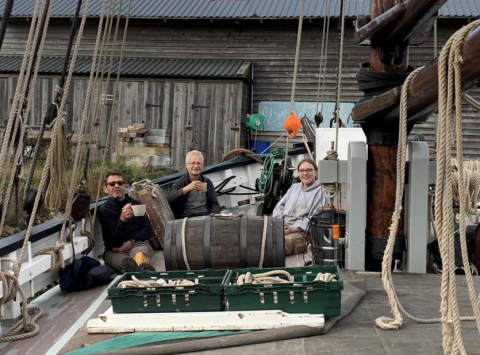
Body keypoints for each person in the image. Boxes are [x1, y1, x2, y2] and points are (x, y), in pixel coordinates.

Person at [97, 170, 156, 274]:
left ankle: (142, 272)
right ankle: (138, 276)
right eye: (112, 184)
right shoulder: (104, 210)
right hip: (114, 251)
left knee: (140, 258)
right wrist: (122, 220)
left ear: (124, 186)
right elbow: (114, 241)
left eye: (120, 183)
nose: (116, 186)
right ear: (105, 189)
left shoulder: (135, 204)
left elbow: (148, 230)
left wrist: (130, 242)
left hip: (137, 244)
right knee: (128, 265)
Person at [273, 158, 326, 255]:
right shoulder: (294, 187)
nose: (305, 173)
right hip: (282, 227)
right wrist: (278, 224)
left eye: (309, 170)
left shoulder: (321, 192)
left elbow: (315, 219)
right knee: (260, 240)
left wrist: (292, 228)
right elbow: (279, 208)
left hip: (303, 232)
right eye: (302, 170)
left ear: (316, 172)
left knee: (277, 245)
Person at [167, 150, 221, 219]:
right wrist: (187, 188)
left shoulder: (207, 182)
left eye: (199, 163)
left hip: (205, 216)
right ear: (186, 165)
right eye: (193, 163)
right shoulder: (179, 183)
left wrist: (212, 217)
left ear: (202, 166)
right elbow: (168, 200)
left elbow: (215, 204)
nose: (196, 166)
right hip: (185, 218)